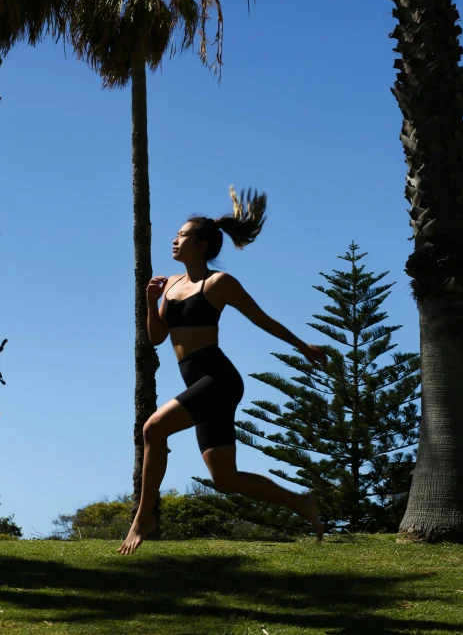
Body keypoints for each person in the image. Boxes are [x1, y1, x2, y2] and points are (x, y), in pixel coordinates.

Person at [118, 187, 328, 555]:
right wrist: (151, 303)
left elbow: (262, 320)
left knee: (153, 427)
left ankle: (143, 517)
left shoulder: (218, 284)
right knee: (225, 478)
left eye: (182, 235)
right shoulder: (169, 284)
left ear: (200, 244)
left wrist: (304, 347)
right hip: (198, 379)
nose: (174, 239)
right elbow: (155, 338)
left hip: (218, 379)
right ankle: (300, 503)